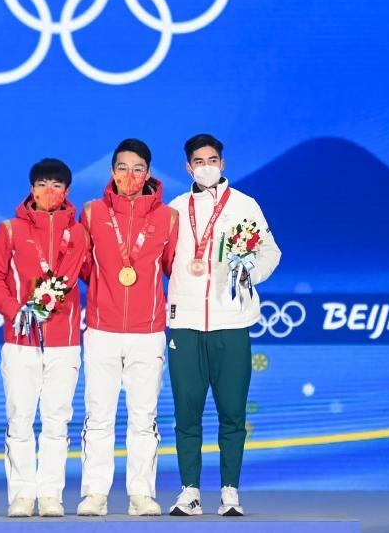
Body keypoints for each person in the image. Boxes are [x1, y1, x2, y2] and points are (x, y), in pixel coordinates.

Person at [165, 134, 281, 516]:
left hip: (232, 321)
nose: (206, 167)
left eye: (212, 160)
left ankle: (230, 491)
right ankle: (190, 491)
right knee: (187, 412)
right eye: (199, 161)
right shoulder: (175, 209)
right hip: (186, 324)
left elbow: (271, 252)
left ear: (223, 163)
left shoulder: (245, 205)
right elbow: (163, 261)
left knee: (232, 412)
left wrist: (250, 275)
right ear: (188, 168)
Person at [0, 158, 91, 518]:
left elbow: (92, 275)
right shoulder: (10, 230)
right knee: (20, 418)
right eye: (42, 184)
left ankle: (51, 495)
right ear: (31, 189)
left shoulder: (79, 234)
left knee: (57, 421)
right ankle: (22, 495)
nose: (49, 191)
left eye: (57, 185)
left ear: (67, 191)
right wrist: (15, 311)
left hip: (64, 342)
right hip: (20, 341)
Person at [76, 138, 178, 517]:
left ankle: (141, 495)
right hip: (101, 329)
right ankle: (94, 494)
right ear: (112, 171)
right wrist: (106, 292)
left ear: (148, 173)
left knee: (144, 417)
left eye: (138, 169)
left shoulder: (168, 218)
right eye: (123, 168)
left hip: (148, 332)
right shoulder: (92, 213)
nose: (130, 175)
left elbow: (173, 269)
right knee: (98, 416)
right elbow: (82, 266)